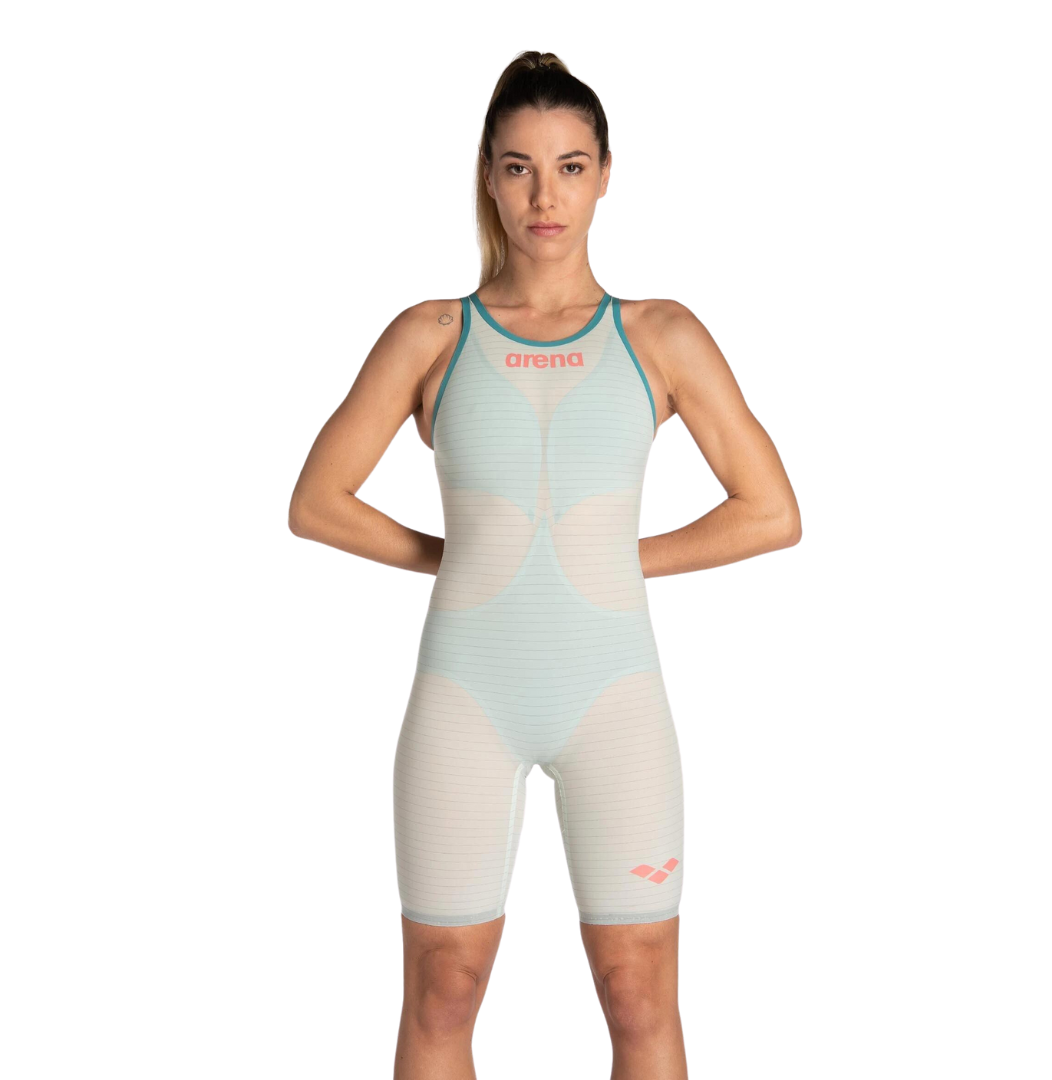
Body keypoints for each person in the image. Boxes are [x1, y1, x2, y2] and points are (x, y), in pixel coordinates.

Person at [289, 49, 801, 1080]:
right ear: (487, 176)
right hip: (465, 697)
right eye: (519, 167)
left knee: (638, 992)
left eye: (570, 167)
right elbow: (317, 502)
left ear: (606, 174)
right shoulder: (433, 334)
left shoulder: (659, 335)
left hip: (615, 700)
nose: (544, 195)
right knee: (443, 988)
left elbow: (771, 512)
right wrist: (461, 557)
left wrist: (610, 559)